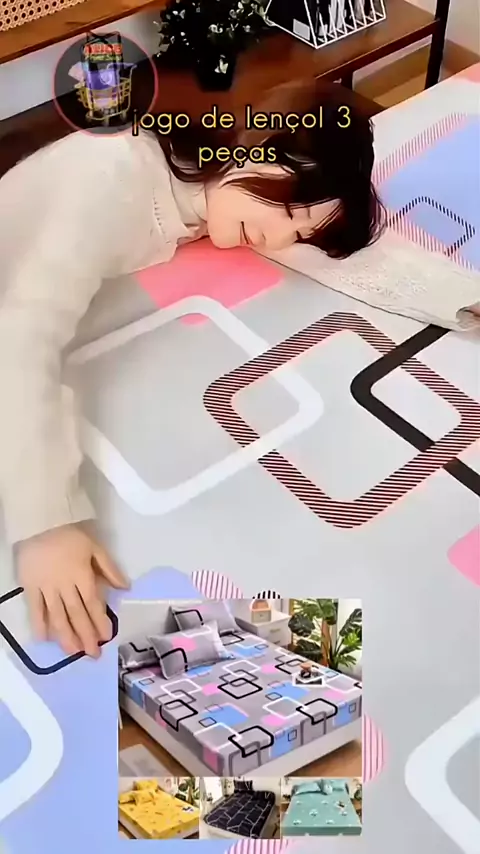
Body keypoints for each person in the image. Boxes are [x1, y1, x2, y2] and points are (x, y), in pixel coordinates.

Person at [0, 78, 383, 659]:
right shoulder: (111, 177)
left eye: (301, 235)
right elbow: (20, 338)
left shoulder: (199, 193)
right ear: (255, 143)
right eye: (292, 209)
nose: (280, 237)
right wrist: (46, 525)